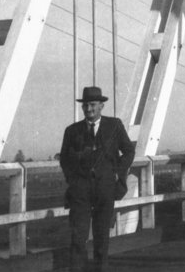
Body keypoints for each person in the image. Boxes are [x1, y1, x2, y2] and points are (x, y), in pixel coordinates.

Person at [59, 86, 136, 272]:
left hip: (105, 189)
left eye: (92, 105)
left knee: (102, 239)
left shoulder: (115, 126)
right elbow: (64, 159)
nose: (88, 109)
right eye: (85, 106)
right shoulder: (72, 130)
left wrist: (118, 171)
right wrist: (74, 181)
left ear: (101, 106)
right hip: (80, 192)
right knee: (78, 238)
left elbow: (129, 151)